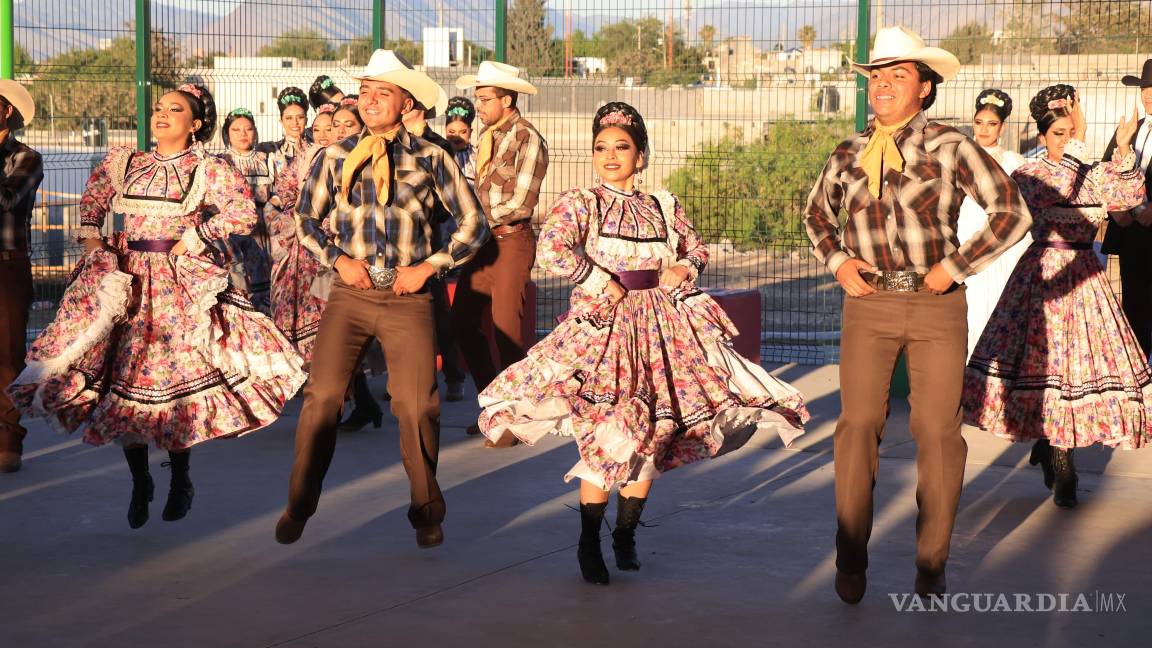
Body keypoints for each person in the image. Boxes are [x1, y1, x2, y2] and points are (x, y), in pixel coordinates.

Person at [478, 102, 807, 585]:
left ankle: (625, 534)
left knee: (651, 435)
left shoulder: (663, 206)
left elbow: (696, 248)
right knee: (607, 433)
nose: (609, 156)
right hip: (604, 332)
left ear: (641, 154)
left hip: (661, 332)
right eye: (600, 147)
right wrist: (594, 277)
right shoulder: (582, 201)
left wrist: (683, 268)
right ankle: (588, 542)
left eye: (621, 147)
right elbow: (552, 247)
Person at [7, 83, 306, 528]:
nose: (162, 115)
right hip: (127, 283)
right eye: (159, 108)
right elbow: (93, 203)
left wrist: (197, 236)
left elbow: (241, 213)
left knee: (172, 380)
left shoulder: (208, 167)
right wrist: (93, 241)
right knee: (126, 379)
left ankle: (181, 477)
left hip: (175, 286)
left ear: (196, 123)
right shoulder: (127, 161)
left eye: (175, 109)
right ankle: (140, 481)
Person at [802, 26, 1032, 603]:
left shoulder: (953, 147)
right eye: (876, 76)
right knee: (857, 427)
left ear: (924, 88)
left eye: (896, 76)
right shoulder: (848, 152)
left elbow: (1013, 212)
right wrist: (838, 264)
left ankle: (932, 560)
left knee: (937, 431)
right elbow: (815, 218)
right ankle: (851, 555)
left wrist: (955, 268)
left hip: (936, 305)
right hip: (868, 303)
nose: (882, 85)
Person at [275, 50, 488, 548]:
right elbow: (303, 220)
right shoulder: (333, 156)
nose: (370, 101)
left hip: (406, 295)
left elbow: (474, 224)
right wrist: (336, 259)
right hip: (349, 292)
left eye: (382, 93)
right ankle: (300, 503)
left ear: (405, 102)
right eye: (365, 92)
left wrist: (429, 268)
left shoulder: (433, 157)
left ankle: (426, 510)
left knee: (416, 406)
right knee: (323, 398)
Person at [963, 85, 1149, 509]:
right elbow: (997, 213)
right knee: (1044, 368)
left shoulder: (1094, 172)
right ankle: (1057, 453)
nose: (1065, 140)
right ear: (1042, 136)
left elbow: (1129, 202)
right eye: (1057, 133)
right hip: (1039, 280)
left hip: (1084, 279)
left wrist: (1123, 149)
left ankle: (1057, 450)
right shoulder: (1029, 175)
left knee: (1076, 371)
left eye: (1070, 132)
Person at [452, 62, 549, 445]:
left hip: (510, 240)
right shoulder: (487, 137)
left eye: (485, 98)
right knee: (462, 324)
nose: (479, 105)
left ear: (506, 99)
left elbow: (522, 203)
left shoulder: (527, 138)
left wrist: (473, 218)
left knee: (507, 331)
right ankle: (494, 408)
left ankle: (513, 419)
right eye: (478, 98)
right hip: (483, 242)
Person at [401, 86, 467, 402]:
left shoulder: (439, 145)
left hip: (429, 236)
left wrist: (421, 208)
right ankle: (403, 377)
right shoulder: (392, 140)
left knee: (437, 308)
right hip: (397, 237)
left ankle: (452, 374)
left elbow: (447, 199)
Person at [956, 89, 1032, 357]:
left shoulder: (1014, 162)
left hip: (1003, 247)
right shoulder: (958, 157)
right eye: (979, 123)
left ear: (1002, 126)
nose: (984, 130)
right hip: (966, 238)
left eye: (992, 124)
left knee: (1001, 307)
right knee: (971, 309)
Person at [0, 80, 43, 474]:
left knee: (8, 355)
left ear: (6, 111)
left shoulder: (26, 158)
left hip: (7, 264)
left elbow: (8, 199)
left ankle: (8, 440)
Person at [1101, 58, 1152, 357]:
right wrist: (1116, 209)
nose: (1147, 93)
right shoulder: (1130, 129)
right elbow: (1105, 170)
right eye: (1144, 86)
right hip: (1131, 235)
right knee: (1133, 309)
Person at [219, 107, 279, 313]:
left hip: (265, 235)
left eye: (248, 129)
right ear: (227, 133)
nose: (243, 134)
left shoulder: (269, 160)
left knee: (268, 293)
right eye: (236, 130)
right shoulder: (221, 162)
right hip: (235, 236)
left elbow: (280, 194)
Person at [257, 87, 308, 167]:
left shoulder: (317, 150)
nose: (295, 122)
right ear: (281, 121)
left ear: (306, 120)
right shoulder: (269, 150)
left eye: (300, 117)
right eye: (289, 118)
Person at [444, 96, 477, 186]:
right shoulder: (439, 153)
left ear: (470, 132)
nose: (457, 137)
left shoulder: (478, 156)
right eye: (451, 132)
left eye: (463, 132)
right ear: (445, 130)